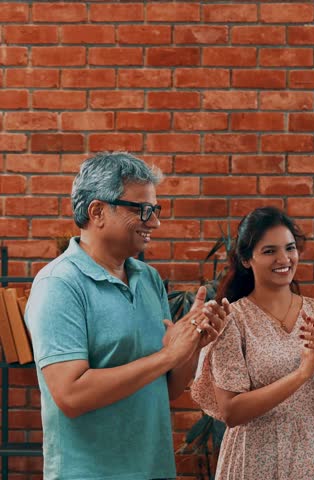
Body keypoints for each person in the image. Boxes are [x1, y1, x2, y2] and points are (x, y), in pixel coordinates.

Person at [24, 152, 228, 480]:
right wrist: (167, 356)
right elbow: (71, 395)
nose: (155, 222)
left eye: (155, 210)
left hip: (154, 470)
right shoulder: (58, 284)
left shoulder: (147, 279)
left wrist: (194, 345)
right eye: (142, 210)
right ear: (98, 211)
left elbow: (168, 388)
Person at [191, 206, 314, 479]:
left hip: (313, 455)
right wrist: (301, 374)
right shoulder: (232, 320)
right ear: (246, 259)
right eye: (269, 251)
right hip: (252, 459)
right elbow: (232, 412)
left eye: (290, 248)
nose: (284, 259)